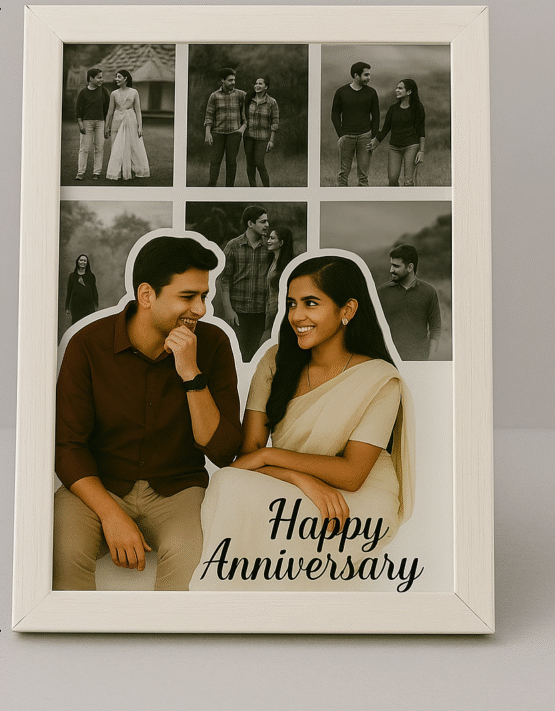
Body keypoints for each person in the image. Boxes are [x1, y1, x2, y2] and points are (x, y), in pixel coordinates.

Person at [190, 255, 415, 591]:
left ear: (347, 310)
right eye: (292, 304)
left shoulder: (380, 379)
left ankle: (254, 610)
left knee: (236, 489)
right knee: (228, 483)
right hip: (294, 485)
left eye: (311, 303)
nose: (296, 316)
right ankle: (229, 610)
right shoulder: (275, 361)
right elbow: (248, 457)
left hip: (355, 501)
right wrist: (299, 478)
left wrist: (270, 455)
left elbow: (352, 474)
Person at [53, 235, 242, 591]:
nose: (201, 309)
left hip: (178, 490)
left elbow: (222, 450)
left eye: (204, 296)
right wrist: (112, 515)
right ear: (146, 295)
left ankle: (168, 633)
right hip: (99, 486)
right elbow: (67, 446)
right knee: (62, 551)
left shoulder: (213, 344)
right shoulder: (88, 345)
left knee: (193, 562)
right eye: (188, 297)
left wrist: (191, 373)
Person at [221, 206, 270, 362]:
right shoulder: (233, 246)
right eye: (263, 222)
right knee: (237, 353)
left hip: (261, 312)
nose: (267, 225)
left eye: (267, 221)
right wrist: (228, 310)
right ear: (250, 223)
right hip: (238, 312)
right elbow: (224, 280)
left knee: (255, 354)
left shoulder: (269, 247)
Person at [378, 245, 441, 360]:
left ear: (410, 267)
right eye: (391, 265)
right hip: (390, 360)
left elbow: (435, 327)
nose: (391, 270)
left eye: (396, 266)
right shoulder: (382, 292)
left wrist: (431, 358)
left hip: (420, 359)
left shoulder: (429, 291)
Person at [368, 79, 426, 186]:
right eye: (396, 88)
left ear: (409, 92)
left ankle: (409, 197)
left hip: (411, 146)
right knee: (392, 180)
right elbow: (385, 129)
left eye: (400, 88)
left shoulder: (417, 108)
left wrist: (421, 151)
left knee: (408, 181)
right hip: (394, 148)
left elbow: (421, 131)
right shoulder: (393, 108)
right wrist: (375, 141)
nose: (397, 90)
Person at [331, 61, 380, 187]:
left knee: (363, 177)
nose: (369, 78)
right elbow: (335, 114)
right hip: (346, 137)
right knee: (342, 175)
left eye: (369, 75)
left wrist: (374, 137)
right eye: (366, 75)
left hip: (365, 137)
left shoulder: (371, 93)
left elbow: (376, 116)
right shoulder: (341, 92)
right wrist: (341, 135)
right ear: (356, 75)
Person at [105, 68, 150, 181]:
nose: (116, 79)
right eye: (116, 77)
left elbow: (138, 110)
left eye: (119, 77)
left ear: (125, 79)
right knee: (115, 145)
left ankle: (131, 169)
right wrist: (106, 126)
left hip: (130, 120)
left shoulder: (134, 92)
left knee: (131, 145)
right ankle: (118, 171)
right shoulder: (114, 93)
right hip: (117, 119)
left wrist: (140, 127)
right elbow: (110, 111)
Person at [204, 68, 246, 187]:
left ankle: (229, 188)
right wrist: (208, 133)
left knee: (231, 162)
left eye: (234, 80)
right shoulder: (214, 96)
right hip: (217, 133)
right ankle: (211, 186)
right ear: (222, 80)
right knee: (215, 161)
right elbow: (209, 115)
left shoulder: (241, 95)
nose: (233, 82)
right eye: (230, 80)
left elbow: (248, 113)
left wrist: (242, 128)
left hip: (234, 134)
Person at [243, 76, 279, 187]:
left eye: (260, 83)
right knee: (250, 164)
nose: (257, 85)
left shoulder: (271, 102)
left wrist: (271, 141)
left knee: (259, 163)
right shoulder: (249, 100)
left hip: (263, 138)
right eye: (256, 83)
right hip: (248, 136)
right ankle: (253, 189)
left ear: (266, 87)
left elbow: (275, 122)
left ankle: (266, 189)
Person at [75, 67, 110, 181]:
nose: (101, 80)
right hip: (86, 123)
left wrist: (107, 126)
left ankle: (96, 173)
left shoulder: (104, 91)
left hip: (100, 123)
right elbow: (78, 110)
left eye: (101, 77)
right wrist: (80, 123)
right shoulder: (83, 93)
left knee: (99, 148)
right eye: (99, 78)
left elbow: (107, 110)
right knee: (84, 148)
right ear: (91, 78)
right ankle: (80, 172)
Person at [263, 225, 295, 337]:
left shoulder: (289, 266)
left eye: (272, 238)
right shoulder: (270, 261)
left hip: (280, 315)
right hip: (267, 313)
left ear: (281, 243)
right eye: (269, 237)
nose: (268, 241)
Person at [65, 254, 99, 327]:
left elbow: (94, 291)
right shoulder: (72, 276)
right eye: (81, 260)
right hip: (76, 306)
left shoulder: (91, 276)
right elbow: (69, 292)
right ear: (77, 262)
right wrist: (67, 307)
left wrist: (96, 305)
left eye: (84, 261)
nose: (82, 262)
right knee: (76, 326)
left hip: (88, 307)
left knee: (88, 326)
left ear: (87, 263)